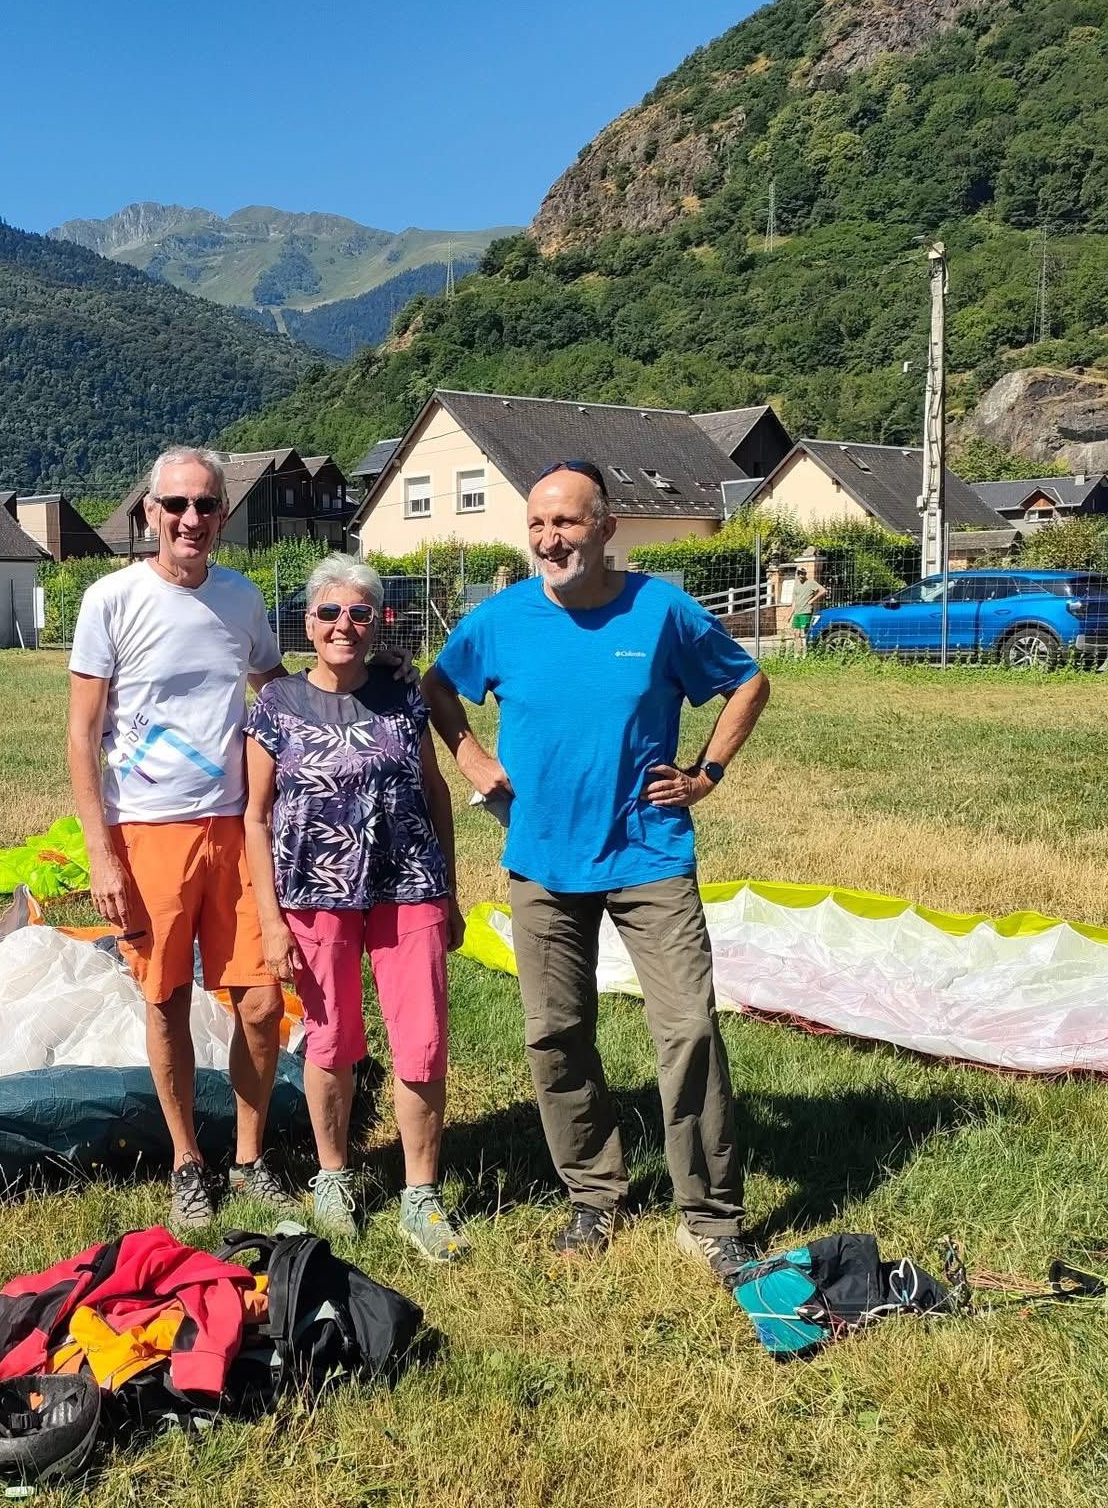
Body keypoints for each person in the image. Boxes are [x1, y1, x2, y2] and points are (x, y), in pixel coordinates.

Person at [420, 460, 772, 1282]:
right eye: (539, 525)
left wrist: (706, 775)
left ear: (607, 529)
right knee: (555, 1034)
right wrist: (470, 753)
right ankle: (593, 1192)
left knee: (687, 1028)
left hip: (650, 852)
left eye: (569, 524)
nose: (551, 539)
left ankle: (711, 1215)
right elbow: (439, 688)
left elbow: (748, 682)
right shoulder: (499, 620)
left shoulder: (662, 611)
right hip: (542, 858)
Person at [64, 446, 297, 1231]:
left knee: (262, 1002)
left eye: (205, 505)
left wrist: (351, 689)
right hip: (148, 833)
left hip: (235, 828)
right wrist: (101, 851)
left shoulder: (241, 598)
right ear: (149, 513)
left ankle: (250, 1155)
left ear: (222, 515)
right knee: (164, 1000)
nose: (191, 519)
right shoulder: (110, 599)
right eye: (176, 505)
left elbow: (274, 681)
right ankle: (187, 1162)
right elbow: (82, 733)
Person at [241, 554, 467, 1261]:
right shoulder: (274, 707)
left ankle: (420, 1196)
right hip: (315, 893)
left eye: (360, 613)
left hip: (410, 887)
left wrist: (450, 889)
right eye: (331, 613)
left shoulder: (404, 695)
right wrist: (272, 920)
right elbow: (254, 816)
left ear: (378, 622)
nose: (345, 625)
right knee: (331, 1038)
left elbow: (435, 791)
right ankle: (334, 1175)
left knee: (422, 1041)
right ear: (308, 622)